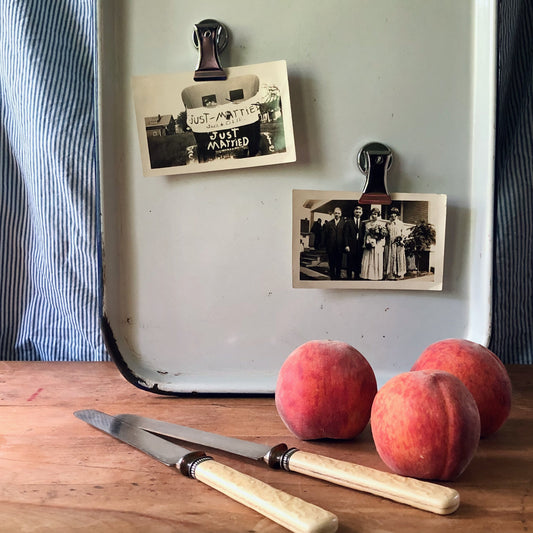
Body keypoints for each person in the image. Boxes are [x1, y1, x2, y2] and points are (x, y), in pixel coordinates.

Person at [360, 208, 388, 280]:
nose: (373, 216)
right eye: (372, 214)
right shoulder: (368, 224)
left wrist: (379, 239)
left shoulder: (381, 223)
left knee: (376, 258)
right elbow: (366, 234)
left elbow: (383, 235)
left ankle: (376, 276)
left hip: (377, 243)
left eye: (375, 214)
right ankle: (367, 275)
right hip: (369, 241)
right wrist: (364, 243)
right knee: (368, 258)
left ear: (378, 215)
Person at [344, 204, 365, 279]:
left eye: (359, 212)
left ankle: (357, 277)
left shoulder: (363, 223)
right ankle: (349, 277)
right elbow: (345, 235)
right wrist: (346, 245)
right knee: (350, 262)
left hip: (359, 246)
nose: (358, 213)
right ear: (354, 212)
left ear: (361, 213)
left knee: (358, 262)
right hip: (350, 246)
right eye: (357, 212)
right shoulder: (349, 222)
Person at [324, 207, 345, 280]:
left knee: (339, 262)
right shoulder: (329, 223)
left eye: (338, 213)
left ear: (341, 214)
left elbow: (345, 235)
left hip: (340, 247)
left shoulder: (344, 223)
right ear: (333, 214)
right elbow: (326, 236)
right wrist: (326, 246)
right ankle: (332, 276)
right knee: (331, 263)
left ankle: (338, 276)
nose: (337, 214)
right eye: (336, 213)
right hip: (331, 247)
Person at [386, 208, 407, 280]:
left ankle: (400, 274)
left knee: (399, 257)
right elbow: (387, 234)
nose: (393, 215)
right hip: (391, 243)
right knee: (391, 257)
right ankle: (391, 274)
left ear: (397, 214)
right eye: (391, 213)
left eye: (394, 213)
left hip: (399, 243)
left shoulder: (400, 223)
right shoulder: (388, 224)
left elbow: (403, 233)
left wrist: (401, 239)